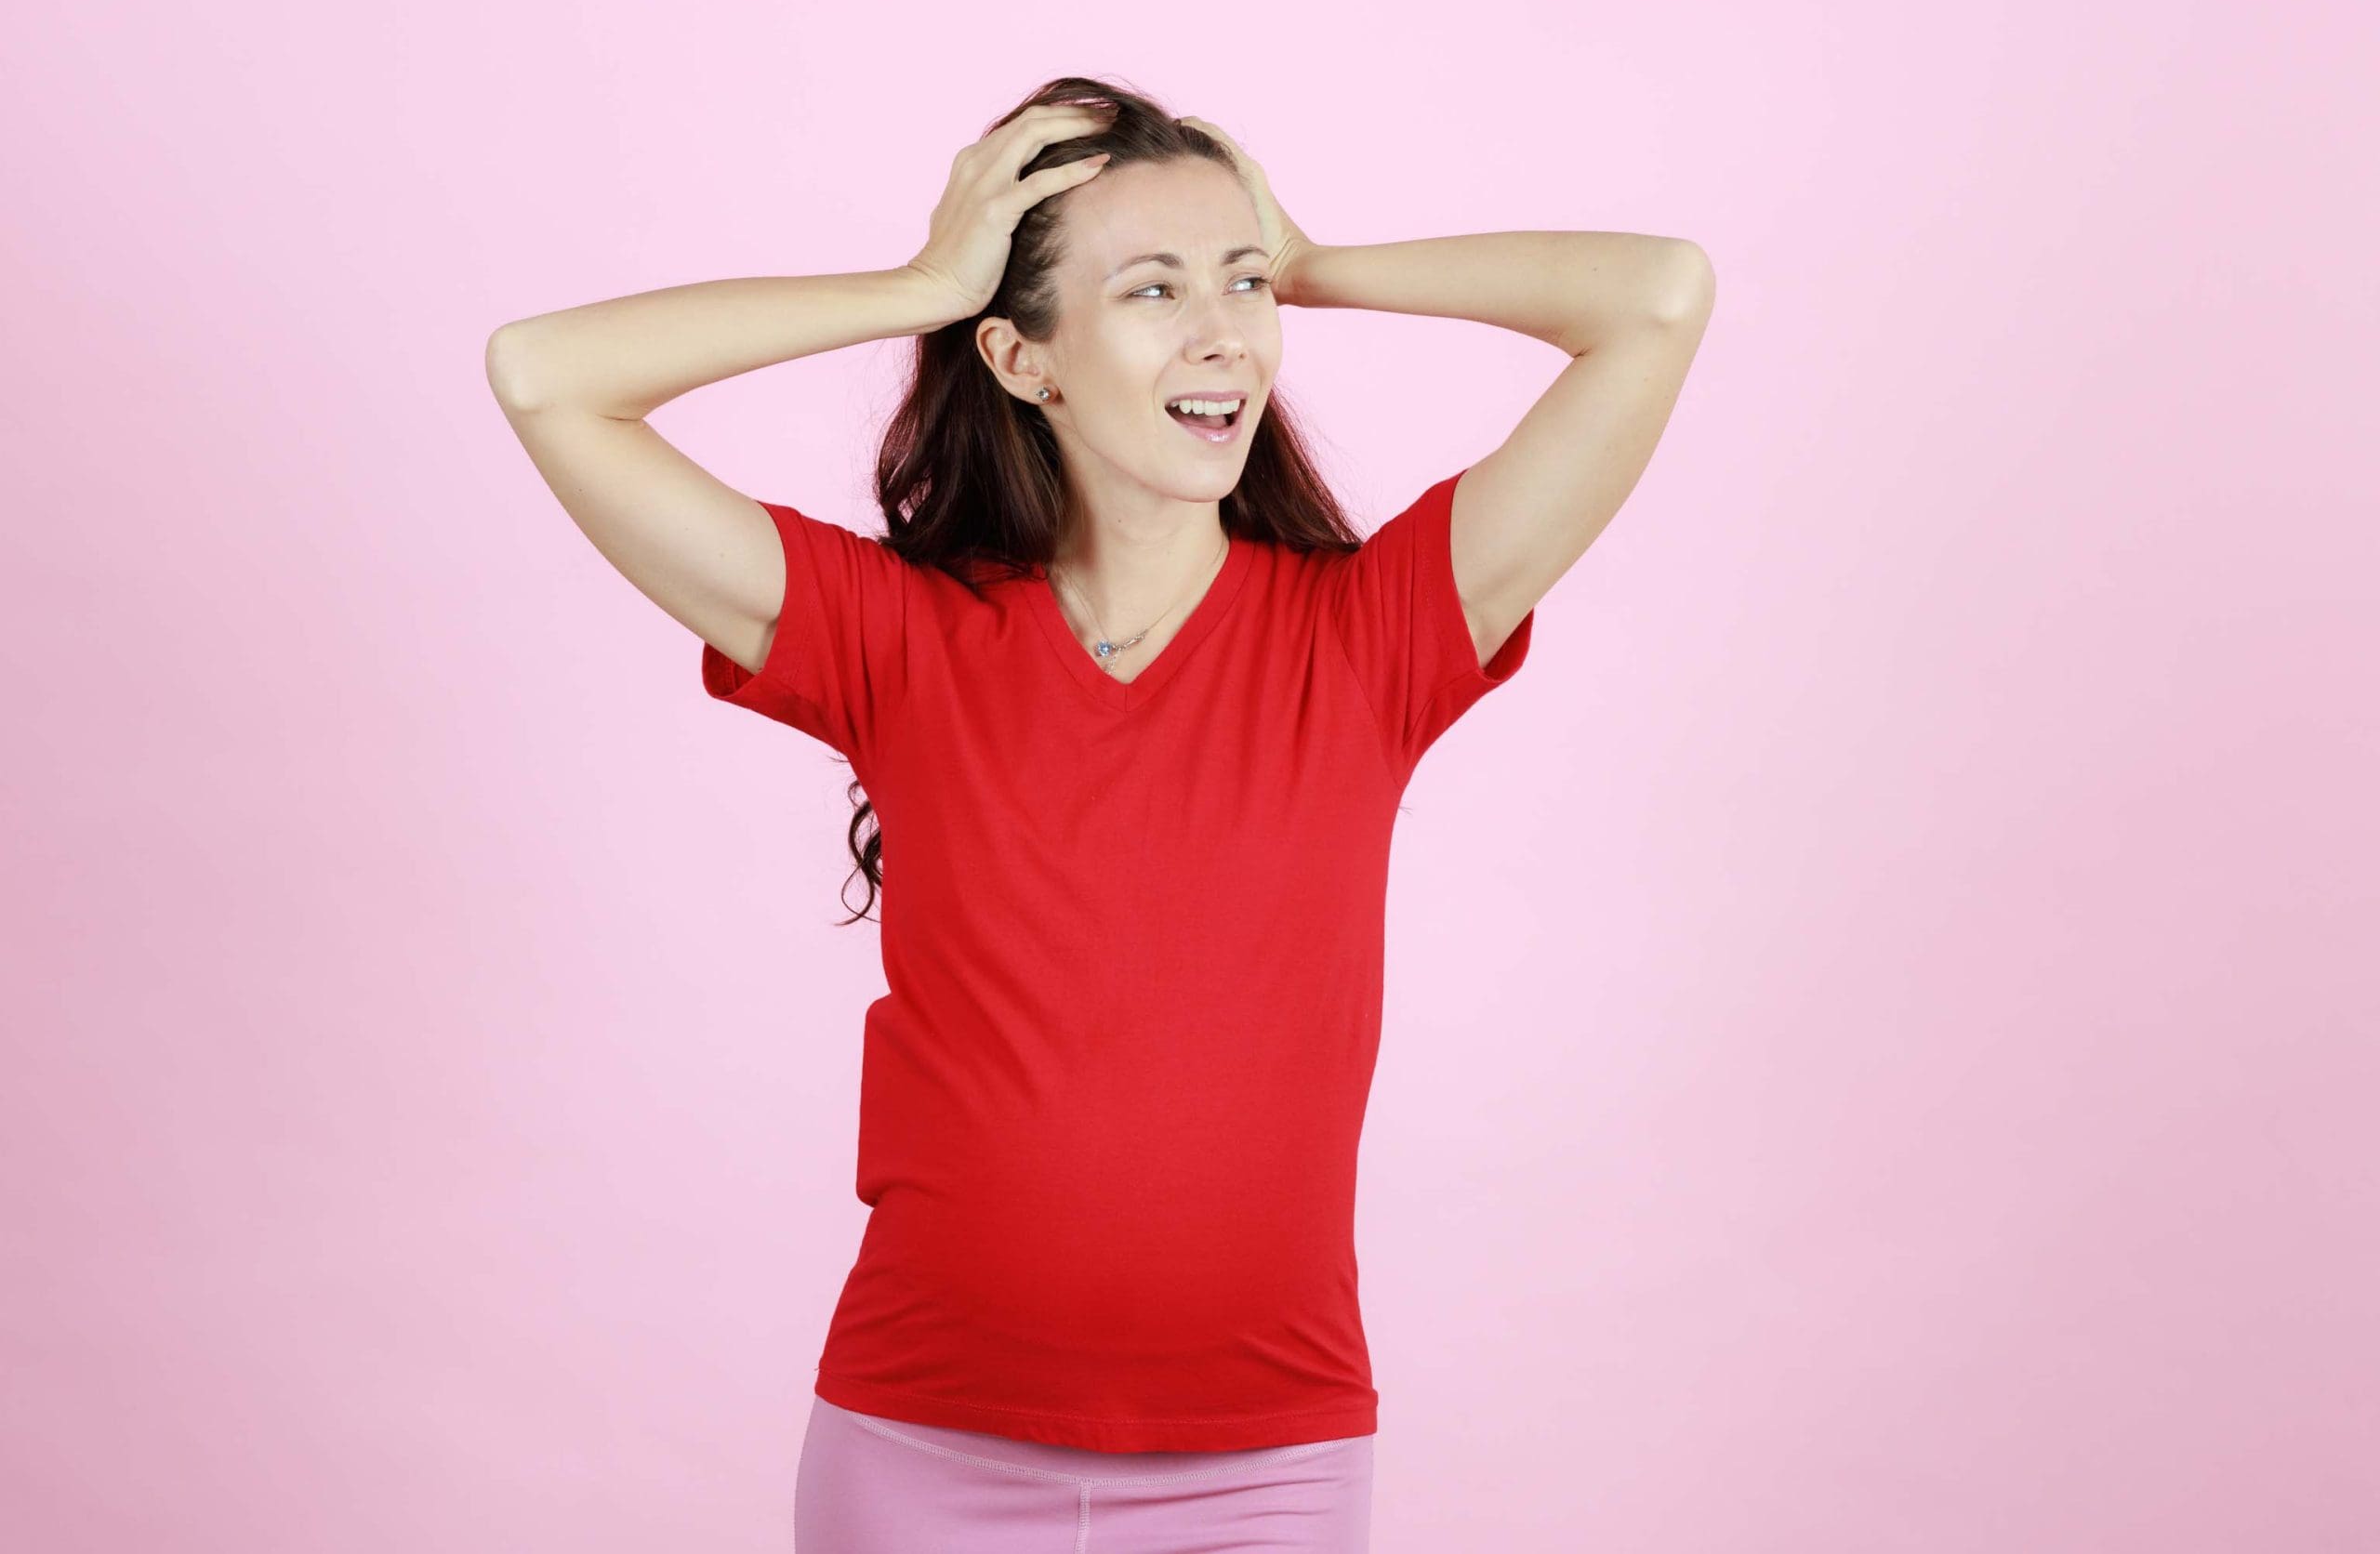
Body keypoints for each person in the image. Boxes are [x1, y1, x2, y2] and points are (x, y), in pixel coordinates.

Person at [487, 75, 1712, 1554]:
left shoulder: (1372, 637)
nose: (1223, 335)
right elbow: (547, 376)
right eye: (1152, 289)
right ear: (1023, 358)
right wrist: (918, 285)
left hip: (1269, 1469)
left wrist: (1320, 263)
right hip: (920, 1449)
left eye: (1241, 283)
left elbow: (1658, 297)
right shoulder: (900, 640)